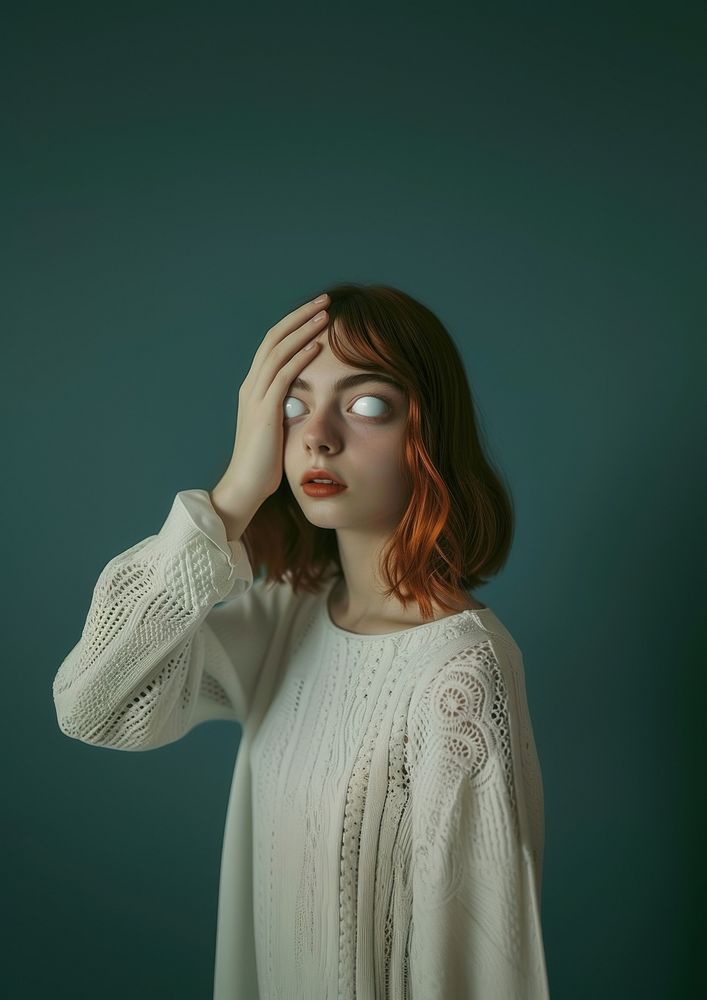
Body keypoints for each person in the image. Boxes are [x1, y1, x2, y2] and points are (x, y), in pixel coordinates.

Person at [52, 283, 550, 999]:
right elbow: (91, 705)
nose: (316, 435)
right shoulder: (286, 616)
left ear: (427, 429)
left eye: (365, 404)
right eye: (291, 404)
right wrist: (228, 500)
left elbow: (476, 966)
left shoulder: (460, 669)